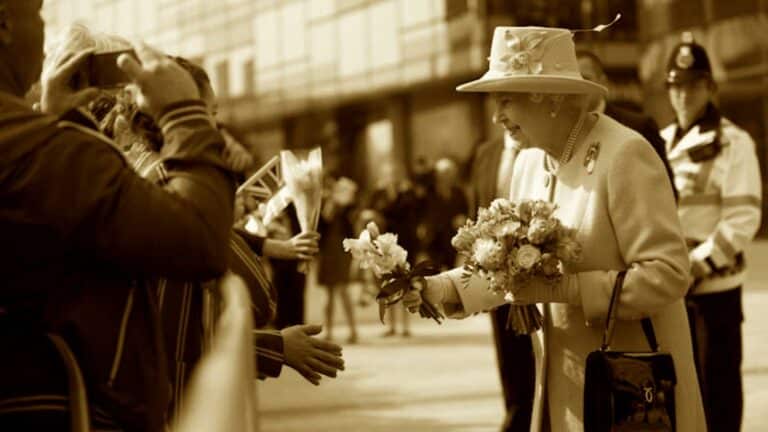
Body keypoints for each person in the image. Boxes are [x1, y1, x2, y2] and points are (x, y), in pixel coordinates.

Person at [404, 25, 706, 431]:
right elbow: (513, 271)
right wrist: (441, 288)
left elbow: (668, 276)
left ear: (549, 98)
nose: (497, 116)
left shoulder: (626, 154)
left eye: (506, 100)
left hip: (634, 399)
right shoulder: (529, 163)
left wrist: (567, 290)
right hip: (564, 398)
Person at [0, 1, 235, 431]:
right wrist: (186, 114)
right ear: (4, 25)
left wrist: (52, 122)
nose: (43, 27)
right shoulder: (31, 147)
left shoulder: (33, 142)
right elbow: (197, 239)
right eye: (37, 15)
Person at [661, 32, 762, 432]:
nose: (684, 94)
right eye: (676, 86)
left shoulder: (733, 142)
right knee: (677, 392)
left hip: (712, 290)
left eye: (694, 85)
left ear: (710, 87)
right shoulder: (661, 141)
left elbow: (742, 219)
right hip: (670, 287)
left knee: (717, 393)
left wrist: (697, 266)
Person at [465, 126, 535, 432]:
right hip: (494, 276)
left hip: (535, 278)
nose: (499, 116)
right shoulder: (486, 153)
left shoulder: (539, 151)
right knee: (508, 357)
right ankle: (516, 413)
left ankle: (525, 419)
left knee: (535, 358)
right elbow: (474, 214)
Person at [576, 49, 677, 200]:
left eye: (586, 78)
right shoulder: (563, 132)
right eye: (575, 80)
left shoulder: (639, 126)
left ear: (603, 82)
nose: (580, 86)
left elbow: (665, 191)